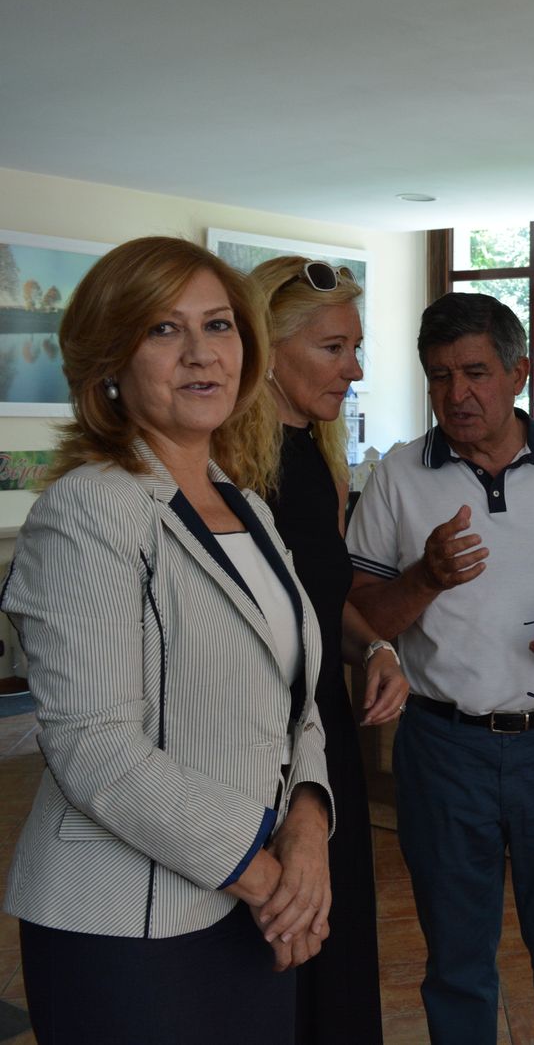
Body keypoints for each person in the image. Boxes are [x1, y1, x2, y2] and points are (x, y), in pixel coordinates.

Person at [0, 237, 334, 1044]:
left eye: (218, 325)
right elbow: (93, 745)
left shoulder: (247, 507)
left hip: (254, 900)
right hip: (129, 926)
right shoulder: (89, 508)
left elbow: (296, 702)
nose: (200, 353)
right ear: (110, 363)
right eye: (162, 329)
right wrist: (267, 878)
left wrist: (309, 827)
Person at [345, 292, 534, 1045]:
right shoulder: (399, 477)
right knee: (456, 964)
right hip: (444, 751)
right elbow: (359, 619)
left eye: (476, 373)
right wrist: (425, 578)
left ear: (519, 374)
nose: (457, 394)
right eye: (439, 376)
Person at [247, 255, 412, 1044]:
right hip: (252, 745)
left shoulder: (318, 457)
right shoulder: (226, 472)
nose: (355, 370)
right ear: (266, 348)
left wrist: (374, 646)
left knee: (335, 962)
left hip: (324, 733)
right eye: (333, 348)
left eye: (355, 348)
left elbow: (320, 600)